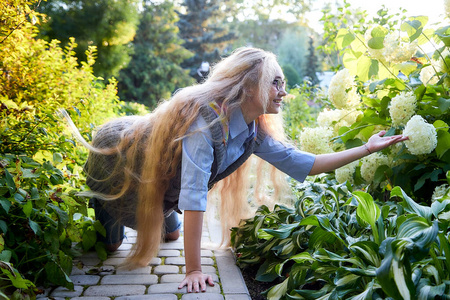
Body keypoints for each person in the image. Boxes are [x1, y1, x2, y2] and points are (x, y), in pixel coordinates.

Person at [66, 47, 407, 294]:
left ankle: (164, 219)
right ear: (249, 86)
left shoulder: (253, 132)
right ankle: (102, 209)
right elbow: (195, 195)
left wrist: (366, 149)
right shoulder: (204, 124)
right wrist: (194, 269)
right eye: (276, 83)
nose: (283, 92)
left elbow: (307, 164)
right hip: (119, 167)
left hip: (162, 189)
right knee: (111, 246)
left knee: (169, 233)